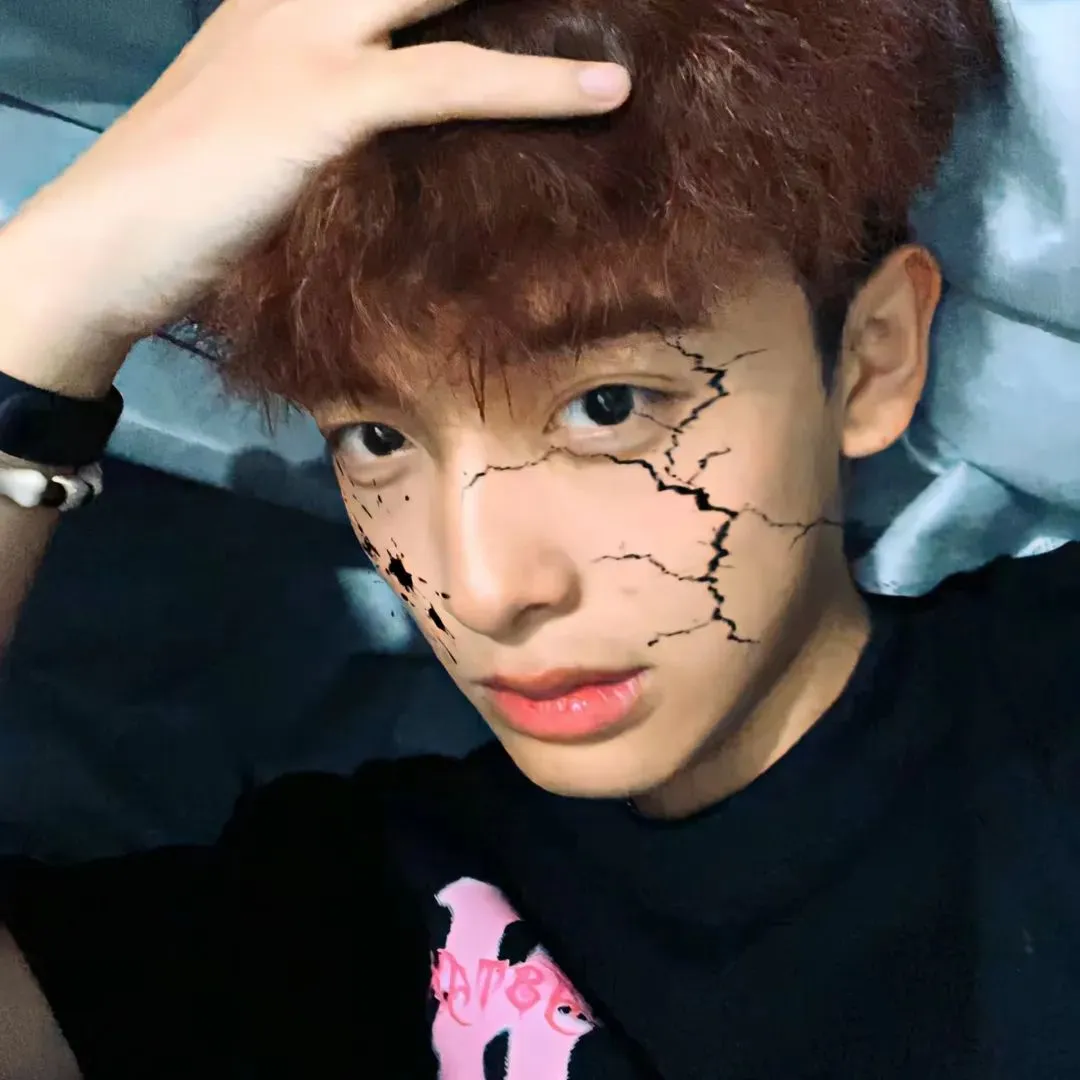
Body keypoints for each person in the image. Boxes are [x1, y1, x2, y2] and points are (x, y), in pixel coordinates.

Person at [0, 0, 1076, 1077]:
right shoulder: (340, 921)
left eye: (609, 406)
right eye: (376, 438)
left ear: (873, 359)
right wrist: (50, 292)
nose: (482, 588)